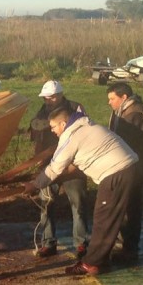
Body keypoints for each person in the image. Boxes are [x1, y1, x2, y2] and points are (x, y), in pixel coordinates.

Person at [24, 107, 139, 276]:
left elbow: (54, 168)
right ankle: (126, 252)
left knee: (103, 218)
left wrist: (35, 185)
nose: (52, 130)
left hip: (115, 172)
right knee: (129, 213)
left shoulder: (71, 136)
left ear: (63, 123)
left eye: (54, 127)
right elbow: (73, 164)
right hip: (133, 167)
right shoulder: (88, 126)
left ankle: (91, 264)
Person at [28, 80, 89, 259]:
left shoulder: (76, 108)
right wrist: (39, 163)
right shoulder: (41, 113)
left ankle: (81, 243)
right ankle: (48, 243)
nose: (48, 101)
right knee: (46, 203)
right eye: (46, 98)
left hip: (72, 164)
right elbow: (37, 138)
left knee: (78, 202)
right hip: (49, 163)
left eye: (52, 97)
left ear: (61, 95)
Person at [107, 82, 143, 262]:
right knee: (126, 207)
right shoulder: (122, 112)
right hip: (132, 166)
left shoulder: (136, 114)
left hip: (141, 168)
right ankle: (125, 247)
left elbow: (125, 142)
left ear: (123, 98)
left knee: (132, 208)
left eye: (112, 99)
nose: (109, 102)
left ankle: (129, 250)